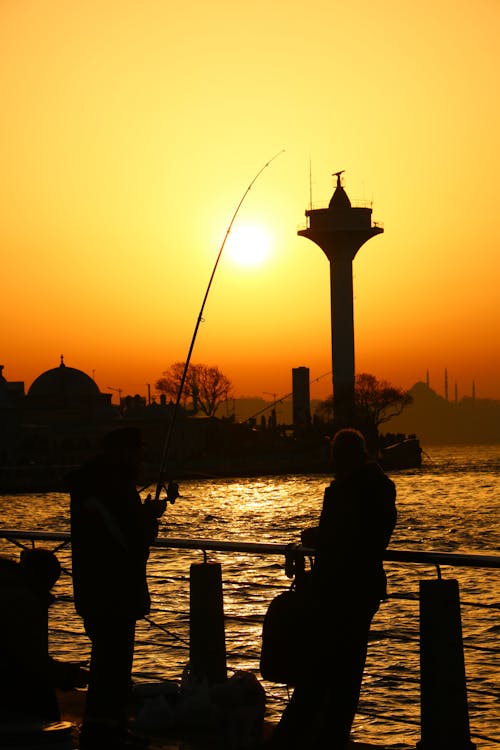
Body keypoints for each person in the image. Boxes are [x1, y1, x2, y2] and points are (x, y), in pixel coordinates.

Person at [269, 427, 397, 750]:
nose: (334, 466)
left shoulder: (354, 491)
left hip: (342, 591)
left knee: (324, 672)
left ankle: (300, 737)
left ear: (348, 458)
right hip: (356, 590)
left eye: (337, 459)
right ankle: (326, 736)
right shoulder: (375, 489)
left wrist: (318, 538)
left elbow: (350, 538)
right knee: (344, 673)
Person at [66, 426, 179, 750]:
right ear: (121, 453)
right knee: (113, 666)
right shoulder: (114, 488)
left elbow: (115, 531)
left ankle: (107, 728)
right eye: (137, 451)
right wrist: (150, 518)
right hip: (114, 590)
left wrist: (143, 515)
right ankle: (105, 733)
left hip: (93, 587)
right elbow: (132, 539)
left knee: (108, 662)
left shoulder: (92, 486)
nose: (141, 457)